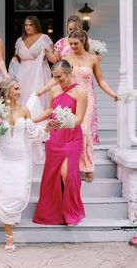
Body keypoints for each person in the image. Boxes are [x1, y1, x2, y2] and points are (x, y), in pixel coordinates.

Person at [0, 78, 48, 253]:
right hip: (2, 158)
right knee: (5, 195)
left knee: (19, 195)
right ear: (6, 91)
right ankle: (9, 236)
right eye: (16, 89)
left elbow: (33, 134)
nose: (19, 92)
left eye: (20, 88)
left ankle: (11, 216)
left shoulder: (25, 110)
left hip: (21, 158)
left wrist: (47, 128)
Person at [33, 60, 88, 226]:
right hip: (55, 138)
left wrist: (65, 122)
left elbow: (79, 119)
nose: (57, 81)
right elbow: (51, 110)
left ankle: (72, 212)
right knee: (52, 175)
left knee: (68, 175)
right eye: (54, 77)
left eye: (60, 77)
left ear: (69, 72)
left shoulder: (80, 92)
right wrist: (33, 119)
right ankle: (54, 213)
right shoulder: (55, 89)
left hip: (72, 138)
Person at [64, 30, 118, 182]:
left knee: (84, 131)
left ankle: (88, 166)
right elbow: (59, 79)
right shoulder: (66, 58)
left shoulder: (93, 58)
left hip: (88, 98)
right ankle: (72, 164)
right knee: (72, 132)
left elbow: (101, 80)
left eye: (76, 43)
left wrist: (112, 94)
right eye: (71, 43)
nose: (73, 46)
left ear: (83, 42)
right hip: (72, 97)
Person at [38, 15, 100, 145]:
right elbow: (56, 61)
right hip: (67, 82)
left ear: (80, 29)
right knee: (68, 117)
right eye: (70, 28)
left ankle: (85, 146)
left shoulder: (89, 43)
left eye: (75, 29)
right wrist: (47, 53)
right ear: (67, 28)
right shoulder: (61, 43)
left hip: (84, 82)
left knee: (84, 120)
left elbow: (94, 60)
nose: (72, 31)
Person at [9, 15, 58, 109]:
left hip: (40, 72)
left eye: (30, 25)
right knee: (22, 95)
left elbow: (54, 60)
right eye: (26, 25)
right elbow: (16, 55)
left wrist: (47, 52)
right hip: (23, 73)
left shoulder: (44, 38)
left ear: (36, 26)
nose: (27, 27)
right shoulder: (19, 40)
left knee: (37, 95)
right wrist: (14, 58)